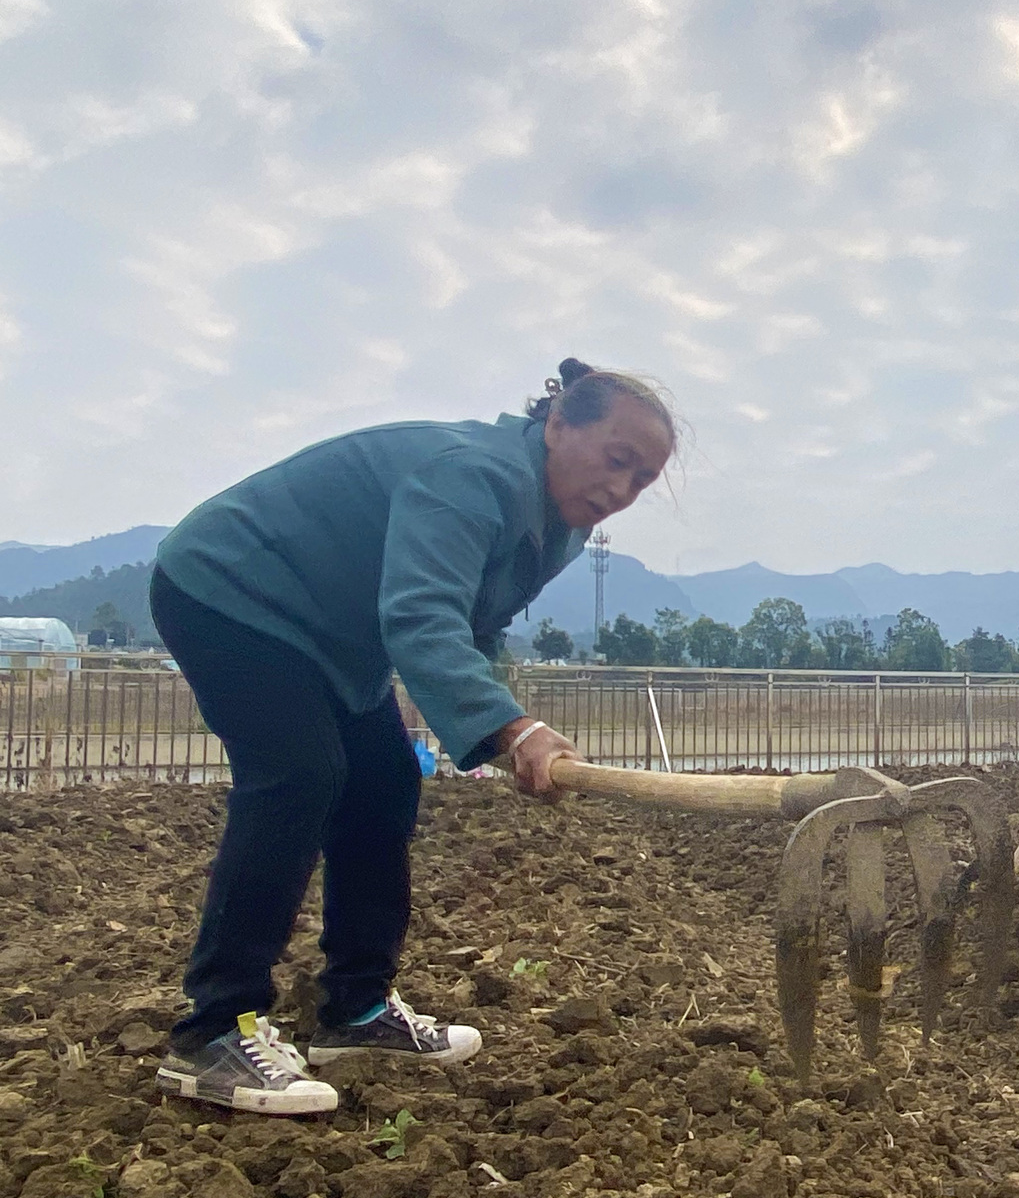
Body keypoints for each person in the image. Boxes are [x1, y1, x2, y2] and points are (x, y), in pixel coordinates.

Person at [149, 359, 676, 1114]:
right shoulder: (474, 476)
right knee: (300, 774)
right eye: (616, 459)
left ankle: (353, 1011)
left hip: (332, 637)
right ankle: (212, 1032)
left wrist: (505, 724)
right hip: (235, 588)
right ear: (558, 423)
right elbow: (422, 616)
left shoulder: (559, 524)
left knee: (384, 783)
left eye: (642, 479)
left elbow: (473, 623)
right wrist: (513, 727)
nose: (622, 488)